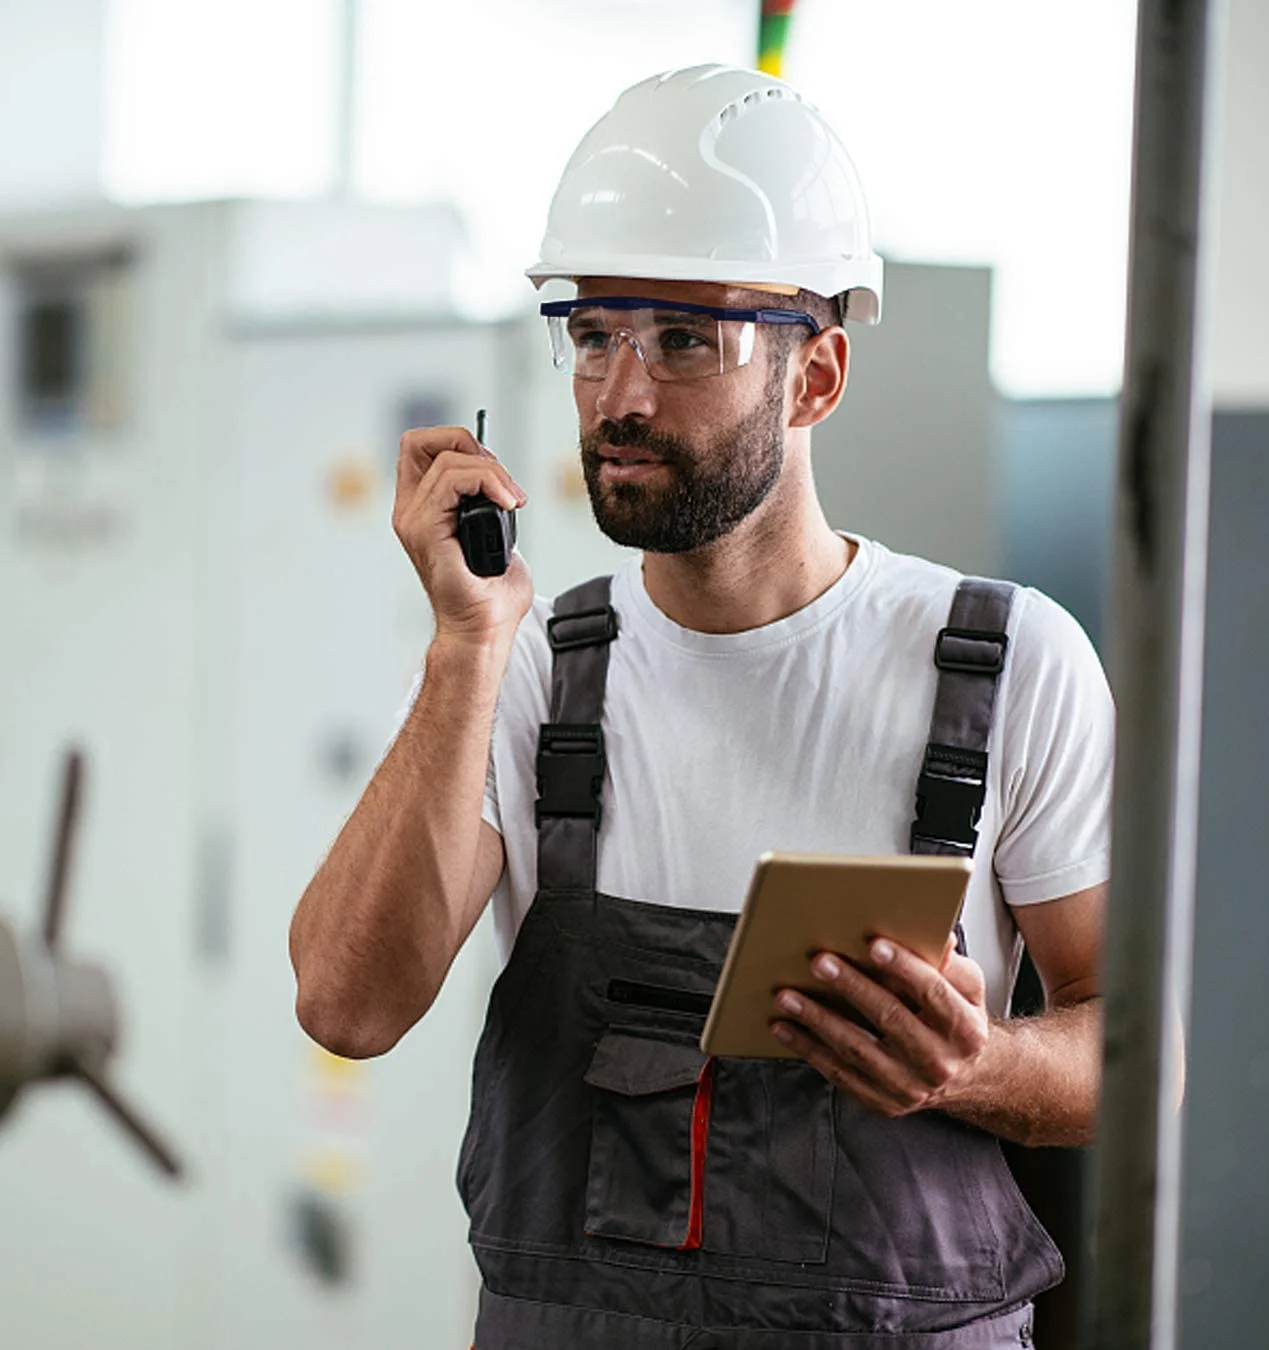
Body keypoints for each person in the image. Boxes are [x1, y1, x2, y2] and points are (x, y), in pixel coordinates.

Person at [289, 64, 1112, 1350]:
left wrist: (981, 1064)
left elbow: (1138, 1055)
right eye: (596, 332)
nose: (620, 393)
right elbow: (349, 1006)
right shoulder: (531, 673)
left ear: (817, 377)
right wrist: (465, 644)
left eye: (684, 340)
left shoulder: (1011, 669)